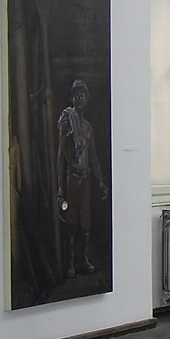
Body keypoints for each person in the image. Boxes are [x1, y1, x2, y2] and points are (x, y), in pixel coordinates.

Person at [56, 79, 108, 279]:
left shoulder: (87, 128)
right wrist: (60, 188)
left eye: (83, 95)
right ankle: (70, 261)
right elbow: (61, 155)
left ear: (87, 99)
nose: (80, 98)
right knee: (71, 222)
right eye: (77, 95)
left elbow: (93, 156)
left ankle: (83, 259)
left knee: (85, 222)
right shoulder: (66, 123)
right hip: (72, 179)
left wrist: (100, 181)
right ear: (72, 98)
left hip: (86, 180)